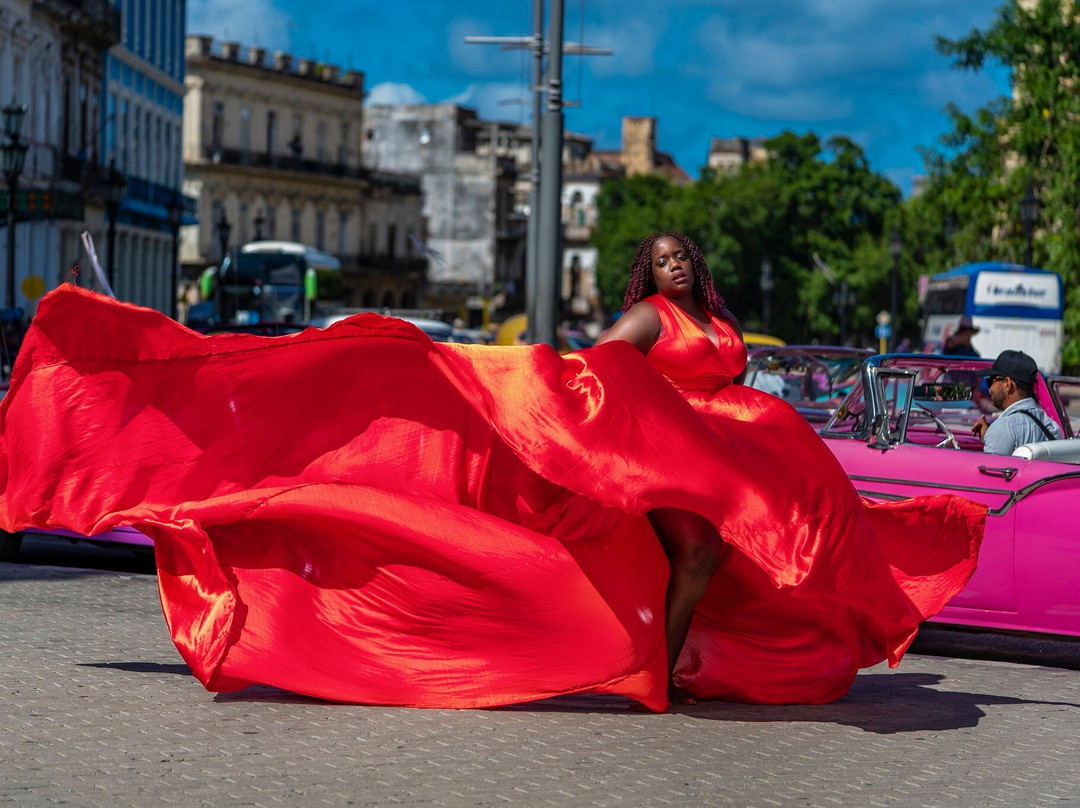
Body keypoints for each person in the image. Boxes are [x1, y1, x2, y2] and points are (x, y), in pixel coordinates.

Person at [0, 239, 987, 713]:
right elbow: (604, 369)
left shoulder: (723, 325)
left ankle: (683, 657)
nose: (674, 267)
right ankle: (661, 671)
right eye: (660, 261)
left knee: (753, 558)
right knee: (698, 550)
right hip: (672, 458)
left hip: (724, 451)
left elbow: (729, 376)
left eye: (683, 257)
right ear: (649, 280)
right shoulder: (648, 322)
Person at [972, 349, 1061, 454]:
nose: (989, 389)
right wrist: (990, 435)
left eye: (991, 381)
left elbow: (991, 468)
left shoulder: (1002, 428)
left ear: (1007, 384)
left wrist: (994, 434)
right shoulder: (1051, 425)